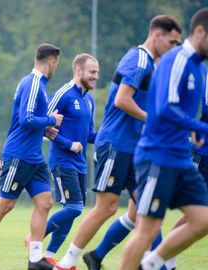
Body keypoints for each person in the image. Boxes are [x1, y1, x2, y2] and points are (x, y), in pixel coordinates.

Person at [55, 15, 182, 270]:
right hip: (116, 144)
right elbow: (122, 99)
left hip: (135, 149)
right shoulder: (138, 58)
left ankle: (159, 265)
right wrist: (152, 120)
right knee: (107, 207)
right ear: (157, 35)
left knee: (147, 210)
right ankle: (66, 262)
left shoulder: (154, 66)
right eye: (172, 42)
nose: (174, 48)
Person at [120, 8, 208, 270]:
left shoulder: (198, 68)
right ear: (201, 32)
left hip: (180, 157)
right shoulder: (177, 59)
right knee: (147, 229)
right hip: (158, 156)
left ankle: (151, 263)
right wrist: (201, 128)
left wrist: (194, 129)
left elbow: (185, 110)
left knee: (203, 220)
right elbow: (165, 108)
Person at [0, 43, 63, 270]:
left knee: (45, 202)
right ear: (52, 62)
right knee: (5, 204)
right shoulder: (33, 83)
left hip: (34, 156)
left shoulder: (38, 84)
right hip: (19, 155)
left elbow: (31, 120)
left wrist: (45, 128)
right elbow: (26, 119)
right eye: (56, 63)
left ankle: (35, 258)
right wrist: (50, 120)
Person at [36, 54, 98, 265]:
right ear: (78, 71)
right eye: (92, 72)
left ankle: (49, 256)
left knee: (71, 211)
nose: (95, 76)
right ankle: (35, 239)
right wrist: (68, 144)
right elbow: (44, 126)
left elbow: (89, 134)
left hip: (79, 164)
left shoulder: (89, 99)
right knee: (75, 208)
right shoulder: (63, 94)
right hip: (62, 162)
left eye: (97, 72)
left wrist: (109, 137)